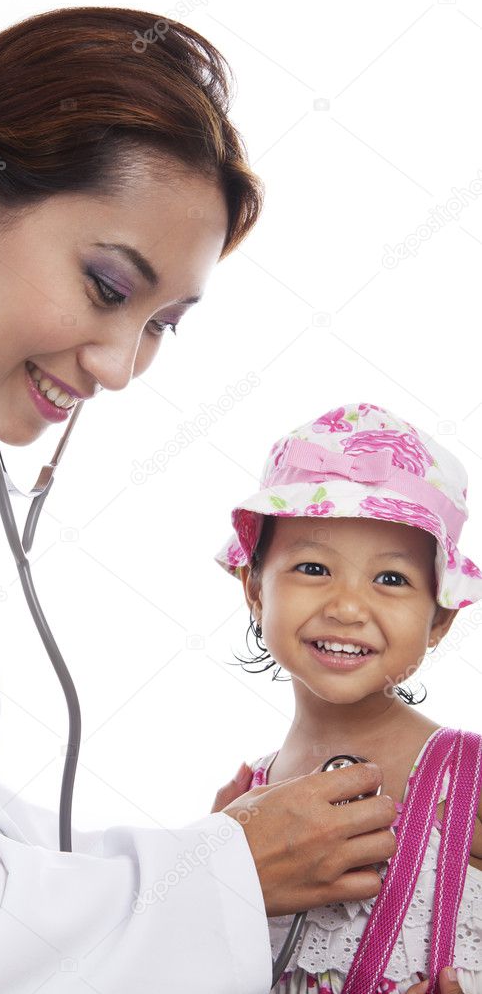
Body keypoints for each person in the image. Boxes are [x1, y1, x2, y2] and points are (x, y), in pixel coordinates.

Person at [0, 5, 452, 993]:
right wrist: (225, 875)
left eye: (163, 326)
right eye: (108, 285)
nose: (116, 367)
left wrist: (220, 857)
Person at [213, 400, 482, 992]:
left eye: (391, 579)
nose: (347, 607)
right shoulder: (241, 808)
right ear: (254, 587)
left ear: (439, 620)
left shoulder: (468, 784)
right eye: (313, 568)